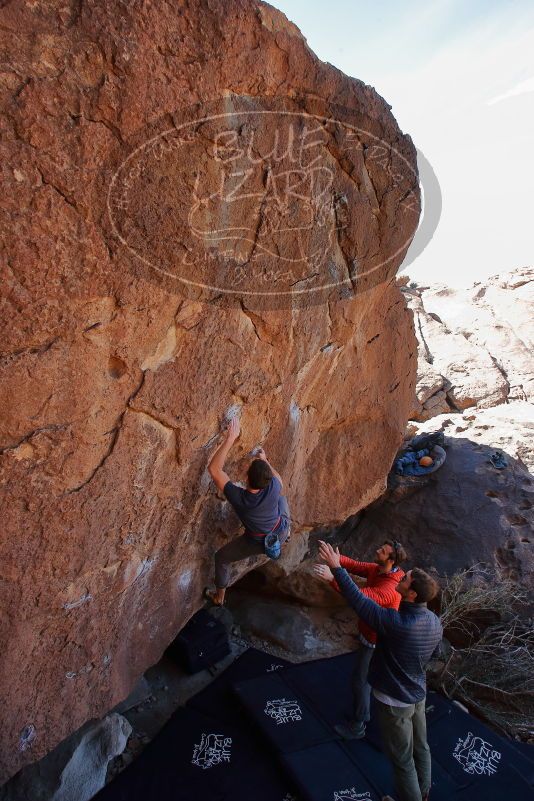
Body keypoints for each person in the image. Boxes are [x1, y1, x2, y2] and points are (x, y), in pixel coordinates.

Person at [318, 540, 442, 801]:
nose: (402, 576)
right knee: (421, 747)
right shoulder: (433, 621)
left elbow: (360, 602)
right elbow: (435, 654)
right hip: (417, 692)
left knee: (402, 760)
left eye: (406, 579)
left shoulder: (397, 622)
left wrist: (335, 571)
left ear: (411, 595)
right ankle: (425, 792)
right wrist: (341, 563)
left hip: (394, 701)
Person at [313, 541, 406, 740]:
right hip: (370, 634)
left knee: (360, 681)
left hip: (375, 641)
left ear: (391, 560)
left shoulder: (389, 589)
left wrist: (333, 575)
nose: (377, 550)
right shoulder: (381, 570)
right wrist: (337, 560)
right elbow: (356, 565)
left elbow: (358, 597)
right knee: (365, 677)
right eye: (379, 547)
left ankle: (358, 725)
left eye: (382, 551)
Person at [205, 417, 290, 606]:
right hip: (281, 528)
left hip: (258, 541)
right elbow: (279, 481)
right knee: (283, 499)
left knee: (221, 558)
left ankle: (219, 598)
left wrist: (230, 438)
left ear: (246, 478)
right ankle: (287, 534)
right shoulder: (273, 486)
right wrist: (265, 460)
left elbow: (214, 469)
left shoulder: (240, 498)